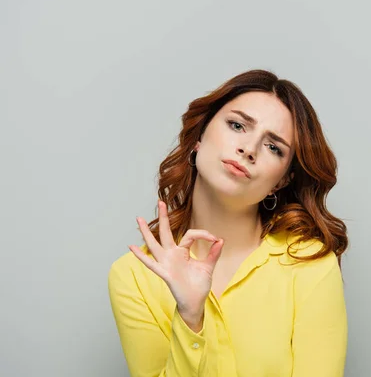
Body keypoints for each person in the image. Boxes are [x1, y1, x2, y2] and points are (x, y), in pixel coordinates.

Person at [108, 69, 349, 377]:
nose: (248, 149)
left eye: (273, 147)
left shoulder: (310, 265)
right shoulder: (133, 277)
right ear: (199, 136)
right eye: (237, 125)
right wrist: (190, 317)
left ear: (281, 181)